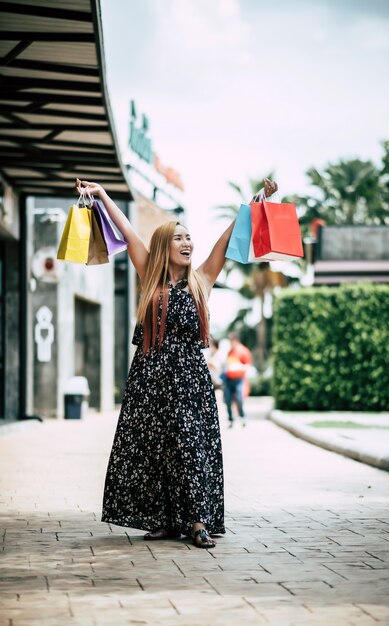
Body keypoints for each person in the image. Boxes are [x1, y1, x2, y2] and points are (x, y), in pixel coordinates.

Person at [76, 177, 278, 550]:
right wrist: (101, 195)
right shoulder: (149, 278)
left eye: (189, 238)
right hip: (149, 376)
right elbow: (128, 230)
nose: (188, 243)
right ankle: (167, 520)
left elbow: (225, 241)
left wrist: (256, 202)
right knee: (155, 447)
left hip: (188, 379)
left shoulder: (201, 280)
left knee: (189, 444)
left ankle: (197, 521)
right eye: (179, 238)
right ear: (163, 247)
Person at [224, 334, 252, 428]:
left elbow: (248, 365)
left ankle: (242, 417)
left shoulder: (243, 351)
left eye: (231, 341)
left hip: (238, 379)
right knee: (227, 400)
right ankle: (231, 419)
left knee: (239, 399)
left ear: (236, 340)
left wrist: (239, 366)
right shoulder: (229, 352)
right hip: (228, 379)